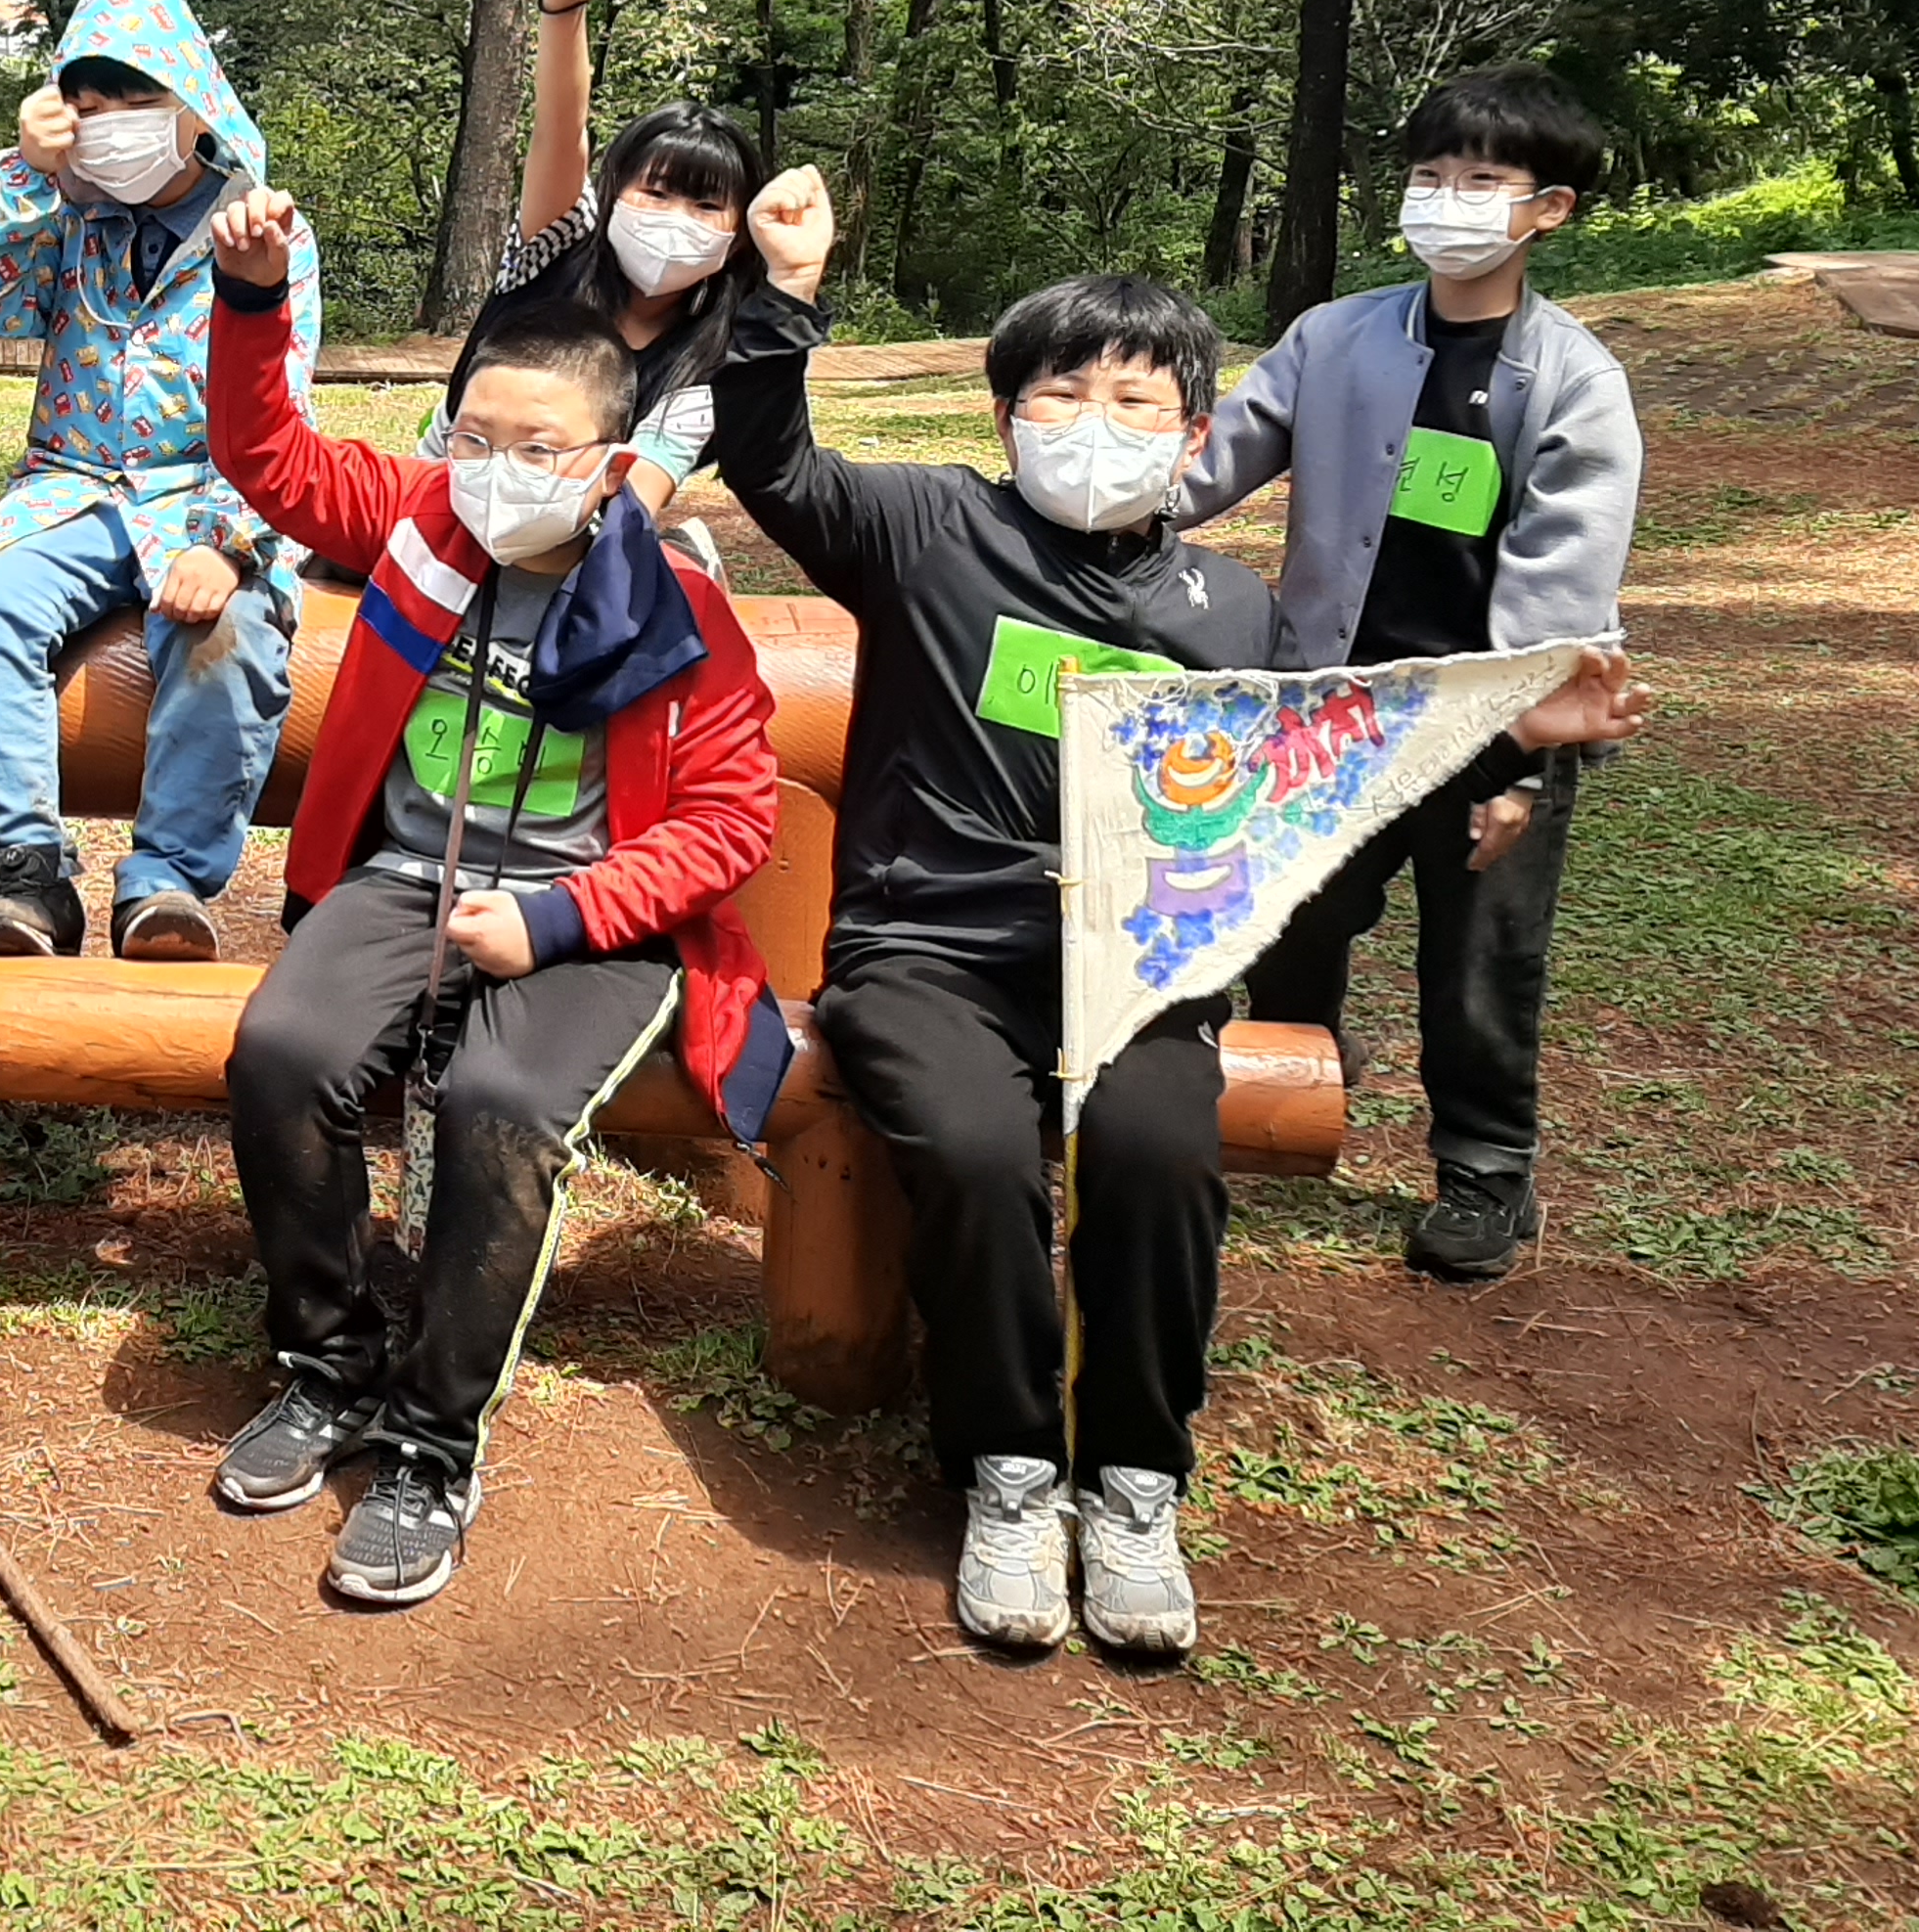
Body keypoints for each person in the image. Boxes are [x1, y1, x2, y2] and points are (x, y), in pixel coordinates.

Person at [705, 169, 1651, 1660]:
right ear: (1005, 415)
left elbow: (1331, 765)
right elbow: (767, 453)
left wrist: (1520, 723)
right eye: (1061, 391)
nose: (1096, 421)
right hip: (930, 954)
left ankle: (1136, 1480)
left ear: (1197, 438)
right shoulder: (923, 528)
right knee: (972, 1152)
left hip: (1138, 969)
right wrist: (784, 296)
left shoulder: (1230, 615)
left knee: (1157, 1159)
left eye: (1137, 400)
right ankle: (1009, 1468)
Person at [196, 191, 783, 1605]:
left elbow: (730, 821)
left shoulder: (679, 611)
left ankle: (431, 1443)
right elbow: (266, 455)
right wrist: (255, 299)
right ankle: (331, 1364)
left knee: (501, 1107)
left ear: (612, 466)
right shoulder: (419, 523)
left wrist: (558, 920)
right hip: (407, 878)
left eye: (538, 451)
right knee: (282, 1054)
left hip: (598, 912)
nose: (495, 471)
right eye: (473, 438)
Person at [1174, 67, 1642, 1283]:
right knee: (1292, 921)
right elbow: (1210, 469)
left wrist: (1520, 769)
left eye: (1481, 180)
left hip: (1489, 727)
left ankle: (1486, 1174)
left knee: (1479, 959)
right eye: (1430, 176)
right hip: (1332, 707)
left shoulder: (1573, 381)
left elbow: (1564, 587)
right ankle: (1285, 1101)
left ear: (1548, 209)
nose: (1447, 200)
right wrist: (1095, 491)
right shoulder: (1334, 338)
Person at [0, 0, 319, 961]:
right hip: (66, 490)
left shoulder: (265, 230)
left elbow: (282, 403)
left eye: (137, 98)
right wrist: (24, 171)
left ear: (195, 102)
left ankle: (167, 884)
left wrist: (227, 544)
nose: (109, 122)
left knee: (229, 635)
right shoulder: (65, 218)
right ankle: (24, 869)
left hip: (204, 493)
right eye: (87, 103)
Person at [429, 0, 766, 524]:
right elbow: (560, 127)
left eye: (705, 205)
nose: (674, 218)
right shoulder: (556, 249)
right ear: (611, 195)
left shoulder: (716, 363)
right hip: (437, 504)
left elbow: (639, 496)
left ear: (739, 237)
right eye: (655, 192)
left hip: (578, 538)